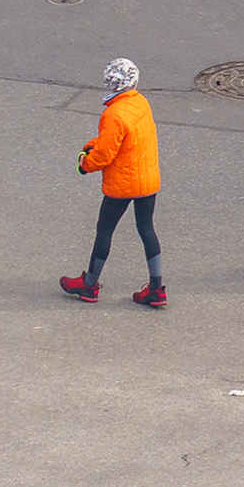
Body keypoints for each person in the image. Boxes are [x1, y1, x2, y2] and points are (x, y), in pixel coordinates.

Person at [60, 58, 166, 307]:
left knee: (105, 230)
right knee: (147, 229)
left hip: (122, 184)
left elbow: (104, 155)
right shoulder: (140, 102)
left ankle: (89, 285)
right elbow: (124, 142)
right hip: (147, 180)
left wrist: (84, 163)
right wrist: (96, 144)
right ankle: (156, 288)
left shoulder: (113, 114)